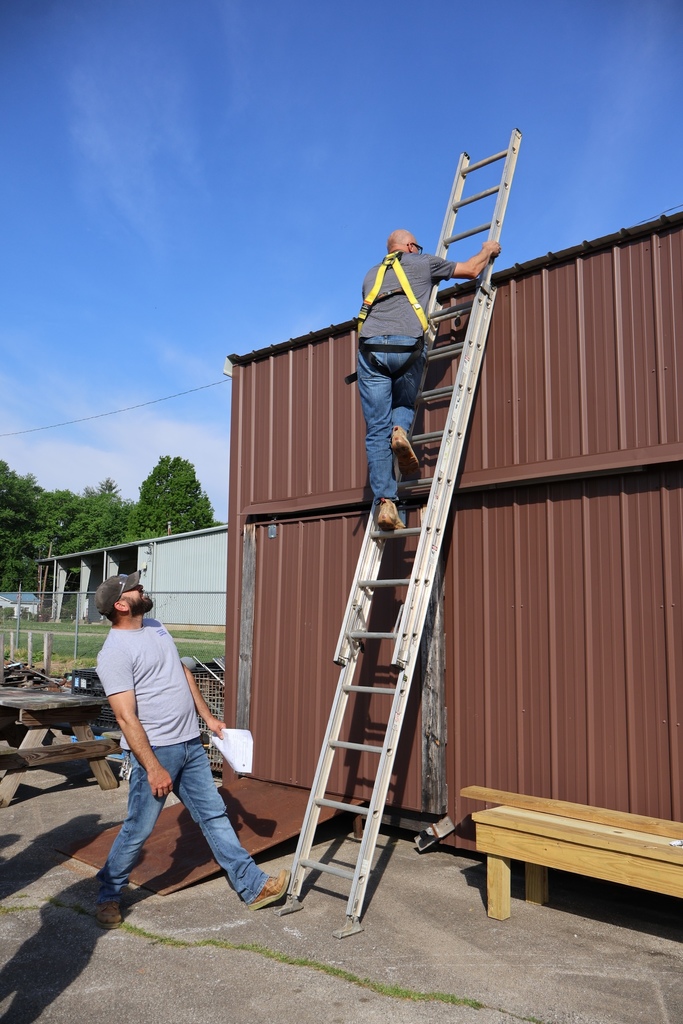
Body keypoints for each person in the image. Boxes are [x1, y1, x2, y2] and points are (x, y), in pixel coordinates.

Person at [92, 570, 289, 928]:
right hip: (157, 752)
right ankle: (108, 893)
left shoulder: (155, 625)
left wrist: (208, 718)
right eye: (135, 588)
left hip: (190, 744)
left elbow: (181, 672)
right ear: (121, 604)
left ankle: (253, 886)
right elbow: (125, 717)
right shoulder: (114, 653)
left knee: (214, 814)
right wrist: (152, 766)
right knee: (138, 828)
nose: (142, 589)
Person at [357, 229, 501, 530]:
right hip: (406, 347)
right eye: (416, 246)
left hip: (369, 351)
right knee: (405, 399)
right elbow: (472, 271)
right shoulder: (421, 262)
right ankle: (400, 432)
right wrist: (487, 249)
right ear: (410, 247)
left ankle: (386, 503)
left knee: (374, 431)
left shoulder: (371, 274)